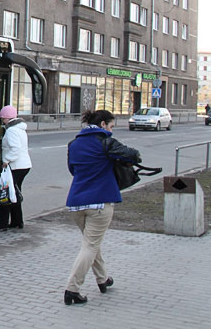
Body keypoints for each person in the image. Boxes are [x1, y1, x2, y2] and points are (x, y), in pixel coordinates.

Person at [63, 109, 141, 305]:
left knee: (92, 244)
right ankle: (72, 289)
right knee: (89, 246)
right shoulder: (105, 141)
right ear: (103, 124)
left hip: (76, 203)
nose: (112, 131)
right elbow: (134, 155)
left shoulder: (74, 144)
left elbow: (73, 170)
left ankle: (103, 279)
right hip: (100, 203)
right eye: (112, 126)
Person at [0, 105, 31, 231]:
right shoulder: (20, 129)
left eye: (3, 119)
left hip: (16, 166)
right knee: (14, 193)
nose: (2, 121)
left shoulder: (12, 130)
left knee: (7, 193)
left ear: (7, 118)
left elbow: (15, 149)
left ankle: (1, 224)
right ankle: (17, 221)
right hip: (24, 165)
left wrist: (6, 160)